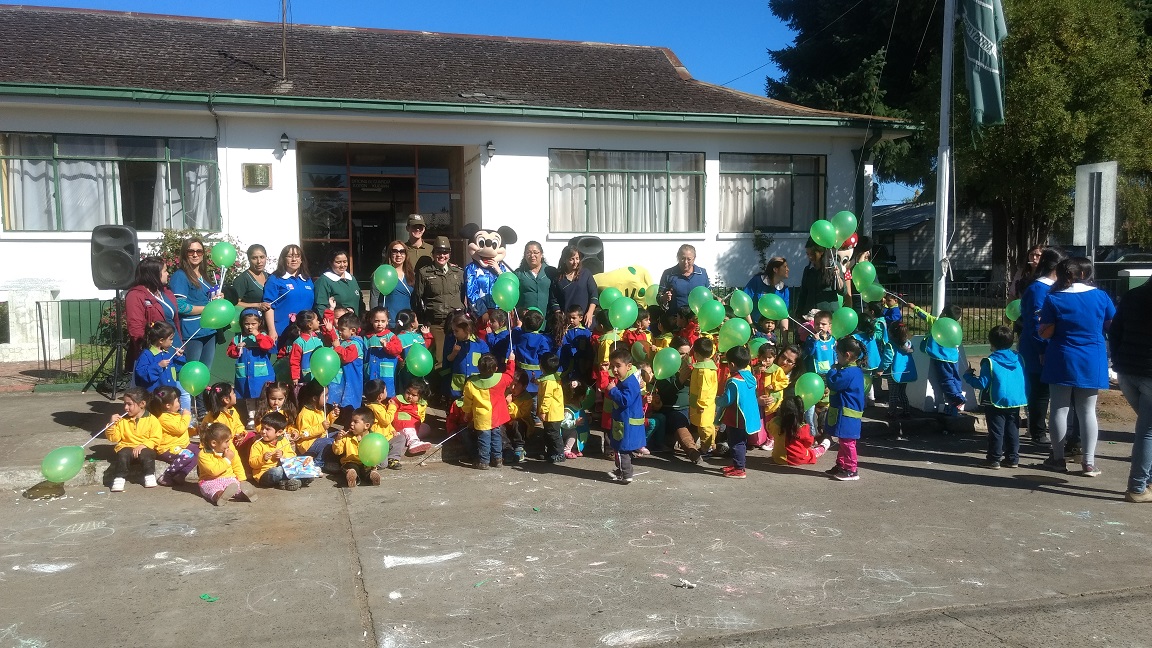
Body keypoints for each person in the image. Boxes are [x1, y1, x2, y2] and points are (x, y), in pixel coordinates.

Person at [1039, 257, 1115, 477]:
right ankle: (1089, 463)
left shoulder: (1054, 298)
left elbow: (1045, 331)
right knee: (1088, 410)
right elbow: (1111, 324)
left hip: (1061, 356)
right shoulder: (1101, 296)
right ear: (1083, 274)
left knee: (1059, 409)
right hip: (1092, 356)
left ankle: (1058, 458)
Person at [1110, 278, 1152, 502]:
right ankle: (1137, 486)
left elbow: (1115, 331)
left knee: (1148, 428)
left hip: (1127, 371)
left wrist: (1117, 362)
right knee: (1147, 431)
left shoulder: (1132, 296)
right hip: (1146, 373)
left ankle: (1146, 481)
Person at [1018, 248, 1065, 445]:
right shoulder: (1039, 288)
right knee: (1039, 390)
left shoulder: (1054, 287)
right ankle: (1037, 431)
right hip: (1037, 348)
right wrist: (1042, 348)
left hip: (1050, 346)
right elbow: (1036, 323)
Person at [169, 237, 223, 407]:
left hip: (209, 330)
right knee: (192, 372)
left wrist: (217, 299)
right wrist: (208, 308)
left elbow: (208, 299)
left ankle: (202, 408)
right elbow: (181, 306)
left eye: (199, 251)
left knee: (204, 372)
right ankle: (188, 409)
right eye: (190, 251)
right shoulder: (180, 276)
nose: (195, 254)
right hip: (192, 331)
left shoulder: (205, 275)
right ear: (184, 254)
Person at [965, 325, 1027, 470]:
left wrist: (968, 376)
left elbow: (982, 383)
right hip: (1014, 400)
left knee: (996, 431)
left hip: (995, 401)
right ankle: (1012, 458)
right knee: (1013, 429)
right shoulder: (1018, 358)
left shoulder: (990, 361)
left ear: (991, 343)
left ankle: (994, 459)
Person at [415, 236, 465, 372]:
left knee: (458, 355)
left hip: (455, 322)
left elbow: (462, 296)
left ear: (449, 254)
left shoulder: (459, 273)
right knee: (439, 359)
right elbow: (418, 298)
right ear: (433, 254)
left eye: (445, 252)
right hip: (436, 323)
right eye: (438, 252)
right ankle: (439, 385)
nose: (442, 256)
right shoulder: (424, 273)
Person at [651, 336, 702, 464]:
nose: (685, 357)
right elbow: (665, 394)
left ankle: (717, 444)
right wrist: (680, 380)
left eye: (687, 353)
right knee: (678, 420)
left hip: (691, 407)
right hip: (673, 410)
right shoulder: (664, 367)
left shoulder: (691, 366)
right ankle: (692, 451)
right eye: (681, 353)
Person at [461, 353, 517, 469]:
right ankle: (497, 460)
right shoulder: (501, 378)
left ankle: (484, 461)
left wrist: (466, 413)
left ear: (478, 367)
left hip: (482, 417)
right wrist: (511, 361)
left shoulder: (471, 383)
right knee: (497, 437)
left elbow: (467, 401)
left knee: (483, 439)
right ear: (496, 368)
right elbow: (510, 375)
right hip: (497, 416)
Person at [125, 256, 182, 368]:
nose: (168, 274)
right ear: (154, 274)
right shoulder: (135, 295)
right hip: (156, 354)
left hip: (175, 348)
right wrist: (153, 352)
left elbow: (175, 321)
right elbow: (136, 330)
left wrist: (180, 344)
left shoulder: (165, 292)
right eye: (165, 271)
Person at [910, 303, 966, 416]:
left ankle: (956, 398)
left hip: (942, 357)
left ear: (944, 314)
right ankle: (958, 395)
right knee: (955, 378)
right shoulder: (955, 326)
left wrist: (915, 308)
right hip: (954, 358)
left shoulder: (938, 322)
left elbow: (926, 316)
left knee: (946, 380)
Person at [715, 346, 761, 479]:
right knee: (740, 441)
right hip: (747, 416)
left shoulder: (734, 381)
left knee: (736, 443)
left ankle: (739, 469)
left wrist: (717, 399)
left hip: (736, 417)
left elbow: (727, 400)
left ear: (732, 364)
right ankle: (737, 465)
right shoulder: (750, 377)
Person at [106, 386, 162, 492]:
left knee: (147, 454)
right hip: (127, 447)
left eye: (129, 404)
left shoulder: (152, 420)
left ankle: (149, 475)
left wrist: (144, 445)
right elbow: (114, 438)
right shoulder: (122, 420)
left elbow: (156, 438)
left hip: (144, 448)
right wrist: (111, 425)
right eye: (125, 404)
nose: (126, 408)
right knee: (123, 454)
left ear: (142, 404)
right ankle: (119, 478)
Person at [826, 337, 866, 481]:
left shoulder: (849, 372)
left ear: (847, 355)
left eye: (838, 354)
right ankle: (841, 465)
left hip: (847, 413)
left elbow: (834, 383)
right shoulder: (853, 370)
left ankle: (851, 469)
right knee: (844, 441)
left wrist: (832, 371)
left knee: (848, 442)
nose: (837, 357)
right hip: (846, 412)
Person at [226, 311, 275, 423]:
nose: (250, 327)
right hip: (245, 374)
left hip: (261, 374)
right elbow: (230, 353)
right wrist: (237, 348)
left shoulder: (263, 336)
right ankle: (251, 417)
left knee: (263, 394)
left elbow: (268, 345)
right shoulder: (238, 338)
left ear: (259, 323)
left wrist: (257, 335)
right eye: (247, 324)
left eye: (253, 324)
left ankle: (264, 416)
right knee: (249, 396)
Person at [606, 348, 646, 484]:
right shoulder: (627, 379)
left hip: (626, 424)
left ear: (628, 366)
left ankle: (626, 474)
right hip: (624, 422)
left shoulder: (629, 382)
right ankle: (621, 470)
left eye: (618, 366)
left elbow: (625, 400)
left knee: (621, 450)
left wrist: (613, 390)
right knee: (621, 449)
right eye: (612, 366)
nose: (614, 370)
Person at [263, 244, 315, 343]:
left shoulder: (307, 280)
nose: (294, 259)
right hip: (283, 333)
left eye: (297, 256)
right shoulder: (275, 279)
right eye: (290, 256)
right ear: (283, 259)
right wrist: (272, 330)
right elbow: (269, 307)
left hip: (306, 332)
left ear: (301, 259)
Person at [132, 321, 188, 412]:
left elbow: (176, 369)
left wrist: (179, 357)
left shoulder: (167, 354)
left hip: (169, 397)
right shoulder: (146, 354)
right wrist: (158, 366)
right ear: (161, 340)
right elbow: (142, 373)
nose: (172, 342)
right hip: (155, 399)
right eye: (170, 339)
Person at [197, 423, 256, 506]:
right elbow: (213, 471)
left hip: (229, 478)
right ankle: (219, 496)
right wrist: (227, 459)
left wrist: (242, 479)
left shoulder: (230, 448)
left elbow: (237, 464)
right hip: (210, 480)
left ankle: (245, 493)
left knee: (235, 486)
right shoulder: (203, 454)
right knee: (212, 489)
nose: (229, 443)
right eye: (227, 441)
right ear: (214, 443)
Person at [148, 386, 197, 486]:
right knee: (187, 455)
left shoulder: (175, 415)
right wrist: (186, 416)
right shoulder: (163, 418)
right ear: (168, 405)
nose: (179, 403)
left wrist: (195, 431)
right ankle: (167, 475)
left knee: (201, 451)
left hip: (181, 445)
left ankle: (181, 474)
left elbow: (180, 431)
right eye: (177, 401)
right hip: (167, 448)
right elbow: (180, 429)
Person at [248, 411, 304, 491]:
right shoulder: (257, 445)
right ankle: (294, 480)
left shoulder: (283, 441)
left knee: (301, 466)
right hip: (264, 475)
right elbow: (252, 463)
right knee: (277, 471)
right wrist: (263, 458)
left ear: (279, 432)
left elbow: (293, 455)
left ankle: (285, 483)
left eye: (267, 429)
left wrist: (283, 455)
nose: (263, 431)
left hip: (283, 469)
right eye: (262, 428)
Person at [771, 395, 830, 466]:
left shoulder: (774, 423)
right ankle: (822, 447)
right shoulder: (803, 427)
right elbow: (808, 443)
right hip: (797, 458)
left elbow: (769, 429)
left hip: (778, 458)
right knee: (812, 453)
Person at [326, 312, 366, 418]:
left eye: (342, 330)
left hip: (352, 380)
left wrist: (337, 347)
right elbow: (336, 341)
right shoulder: (345, 341)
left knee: (350, 406)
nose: (339, 332)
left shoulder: (355, 344)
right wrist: (331, 331)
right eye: (338, 329)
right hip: (342, 379)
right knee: (337, 403)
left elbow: (346, 357)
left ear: (353, 330)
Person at [293, 379, 338, 472]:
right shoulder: (305, 414)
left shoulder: (319, 409)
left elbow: (325, 426)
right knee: (329, 442)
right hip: (307, 444)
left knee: (339, 435)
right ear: (314, 398)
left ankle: (332, 460)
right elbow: (303, 433)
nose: (327, 398)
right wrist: (321, 427)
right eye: (325, 395)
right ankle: (318, 463)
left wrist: (332, 416)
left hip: (320, 438)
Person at [333, 407, 382, 488]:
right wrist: (338, 440)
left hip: (366, 463)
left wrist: (374, 462)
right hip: (351, 461)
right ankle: (352, 477)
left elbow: (376, 453)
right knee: (350, 468)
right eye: (351, 421)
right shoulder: (347, 436)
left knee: (368, 469)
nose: (351, 424)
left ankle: (372, 476)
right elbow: (337, 451)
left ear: (366, 426)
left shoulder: (372, 438)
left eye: (355, 422)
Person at [795, 238, 843, 317]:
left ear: (821, 252)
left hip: (828, 315)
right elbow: (803, 294)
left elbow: (843, 291)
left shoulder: (833, 266)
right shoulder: (808, 270)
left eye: (813, 254)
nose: (810, 257)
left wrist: (837, 276)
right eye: (808, 254)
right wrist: (799, 313)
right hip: (811, 315)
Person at [553, 246, 598, 329]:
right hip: (567, 322)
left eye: (577, 258)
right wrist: (560, 315)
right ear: (564, 260)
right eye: (571, 259)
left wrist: (590, 313)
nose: (575, 262)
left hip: (585, 321)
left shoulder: (586, 274)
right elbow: (554, 300)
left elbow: (594, 295)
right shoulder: (558, 278)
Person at [744, 257, 790, 334]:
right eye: (785, 267)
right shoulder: (757, 281)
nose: (788, 269)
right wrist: (751, 324)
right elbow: (744, 303)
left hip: (769, 330)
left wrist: (785, 339)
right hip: (751, 327)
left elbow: (784, 316)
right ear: (775, 269)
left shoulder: (784, 290)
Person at [689, 337, 718, 457]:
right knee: (706, 425)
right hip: (707, 402)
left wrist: (701, 404)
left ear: (696, 354)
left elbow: (704, 389)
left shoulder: (703, 370)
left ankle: (708, 447)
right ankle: (708, 445)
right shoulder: (709, 366)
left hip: (703, 404)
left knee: (705, 426)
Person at [515, 241, 559, 319]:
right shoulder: (519, 273)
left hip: (547, 318)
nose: (532, 255)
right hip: (526, 319)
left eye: (535, 252)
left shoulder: (551, 271)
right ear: (525, 255)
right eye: (528, 253)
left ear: (541, 254)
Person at [659, 244, 710, 311]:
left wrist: (717, 299)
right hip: (675, 316)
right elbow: (658, 297)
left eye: (689, 259)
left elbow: (709, 295)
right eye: (682, 258)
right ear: (678, 257)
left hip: (697, 316)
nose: (685, 262)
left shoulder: (702, 273)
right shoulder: (668, 274)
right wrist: (663, 298)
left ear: (694, 258)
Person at [371, 240, 416, 315]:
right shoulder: (381, 274)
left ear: (406, 254)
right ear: (390, 254)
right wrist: (374, 316)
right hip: (388, 318)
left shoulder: (411, 275)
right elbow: (374, 298)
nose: (398, 255)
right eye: (395, 251)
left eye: (402, 251)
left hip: (407, 318)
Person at [536, 353, 566, 462]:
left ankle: (559, 453)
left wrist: (543, 411)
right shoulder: (553, 378)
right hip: (555, 412)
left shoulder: (548, 382)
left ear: (542, 366)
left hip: (552, 413)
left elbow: (547, 397)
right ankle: (551, 452)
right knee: (549, 433)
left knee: (553, 434)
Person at [226, 244, 271, 315]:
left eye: (262, 257)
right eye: (254, 258)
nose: (259, 261)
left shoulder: (269, 277)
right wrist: (257, 305)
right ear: (249, 259)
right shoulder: (243, 279)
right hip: (250, 319)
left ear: (266, 258)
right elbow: (234, 303)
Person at [314, 248, 361, 315]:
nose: (342, 265)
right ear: (330, 263)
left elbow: (360, 302)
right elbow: (320, 307)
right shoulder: (324, 281)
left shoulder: (352, 279)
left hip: (354, 320)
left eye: (345, 262)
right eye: (338, 262)